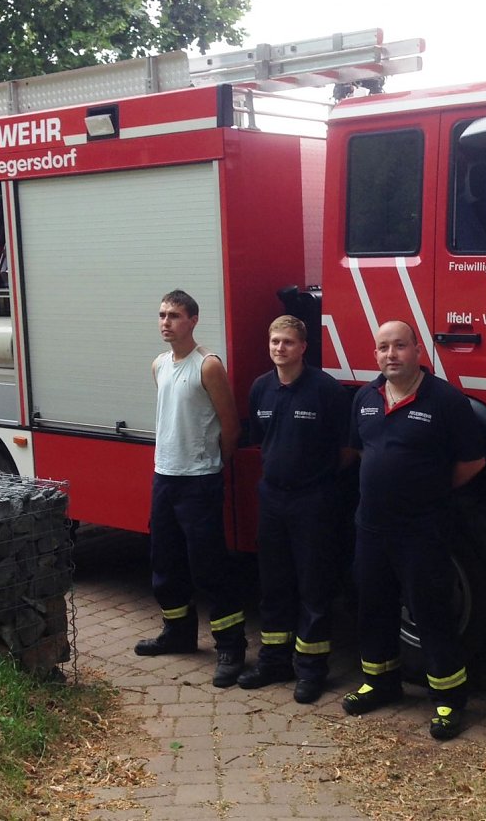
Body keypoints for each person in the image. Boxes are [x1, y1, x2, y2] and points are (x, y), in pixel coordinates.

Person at [342, 320, 485, 740]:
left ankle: (448, 699)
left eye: (400, 346)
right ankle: (380, 682)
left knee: (431, 612)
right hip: (371, 528)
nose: (391, 354)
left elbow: (473, 462)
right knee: (373, 606)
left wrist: (429, 492)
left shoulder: (446, 401)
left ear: (417, 350)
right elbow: (359, 449)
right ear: (375, 354)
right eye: (383, 347)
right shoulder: (365, 398)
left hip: (422, 529)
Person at [134, 289, 248, 688]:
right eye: (162, 314)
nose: (166, 322)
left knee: (209, 566)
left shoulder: (208, 366)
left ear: (193, 320)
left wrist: (212, 467)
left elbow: (230, 425)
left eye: (175, 315)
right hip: (164, 476)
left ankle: (231, 647)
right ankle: (178, 634)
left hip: (199, 482)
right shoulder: (159, 365)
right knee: (165, 563)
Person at [237, 315, 352, 704]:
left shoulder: (326, 390)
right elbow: (260, 440)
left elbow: (348, 448)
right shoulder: (260, 389)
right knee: (273, 584)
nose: (279, 348)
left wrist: (316, 481)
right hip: (272, 498)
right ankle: (273, 663)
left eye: (287, 342)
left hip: (314, 500)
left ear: (303, 347)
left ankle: (311, 670)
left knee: (314, 587)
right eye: (274, 342)